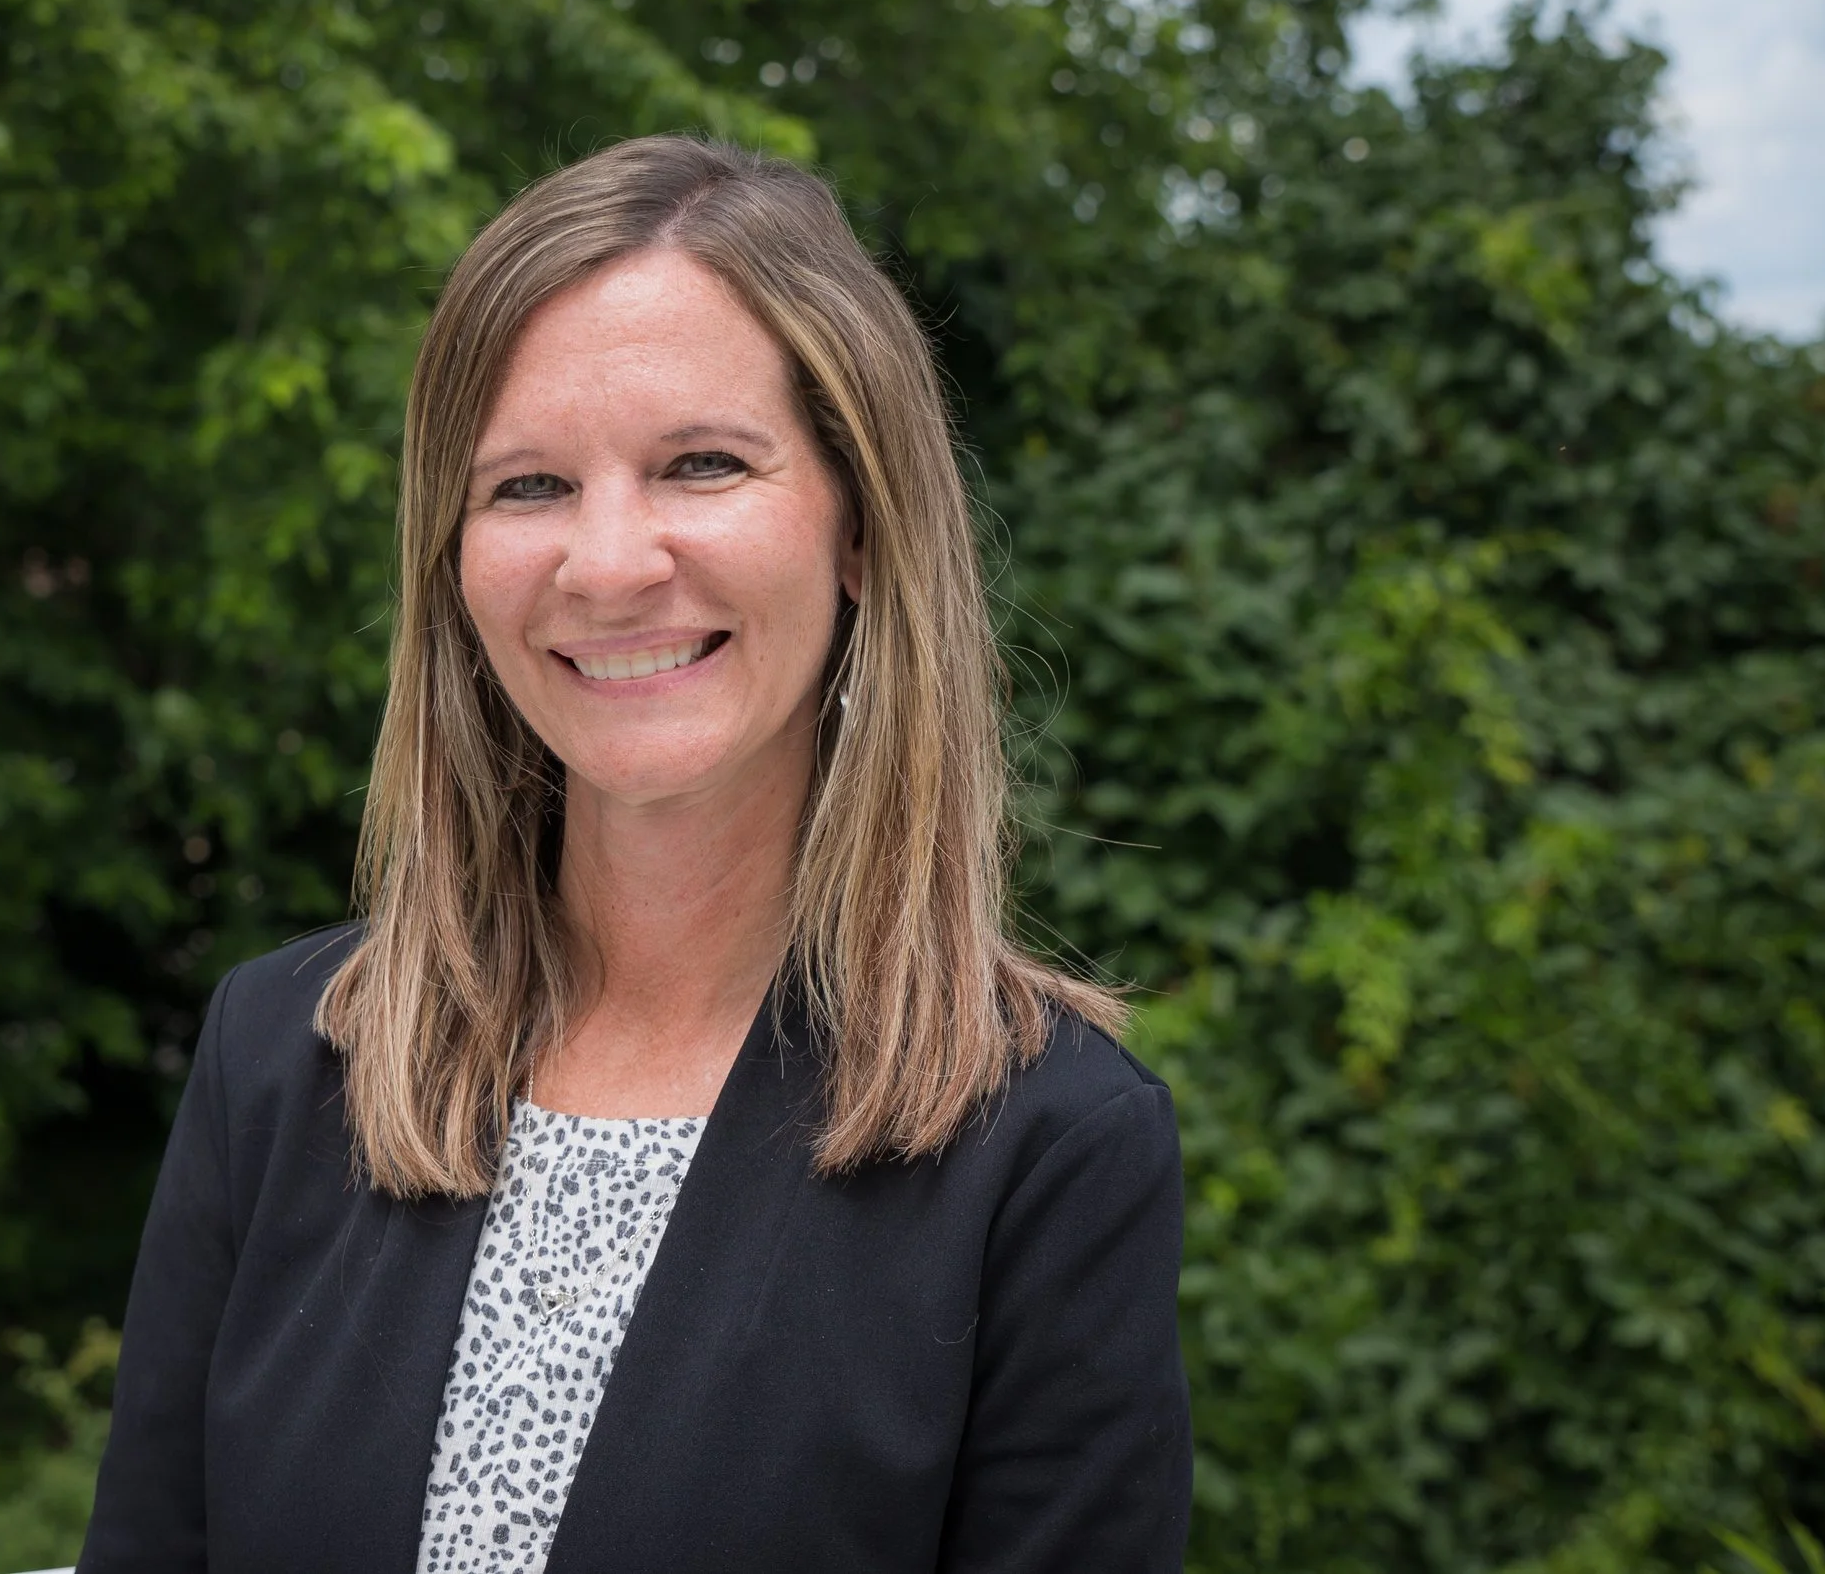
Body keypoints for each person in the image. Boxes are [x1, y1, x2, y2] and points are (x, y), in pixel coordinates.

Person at [77, 134, 1190, 1574]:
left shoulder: (1045, 1147)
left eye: (702, 464)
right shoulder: (284, 1060)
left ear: (861, 526)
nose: (608, 564)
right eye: (528, 486)